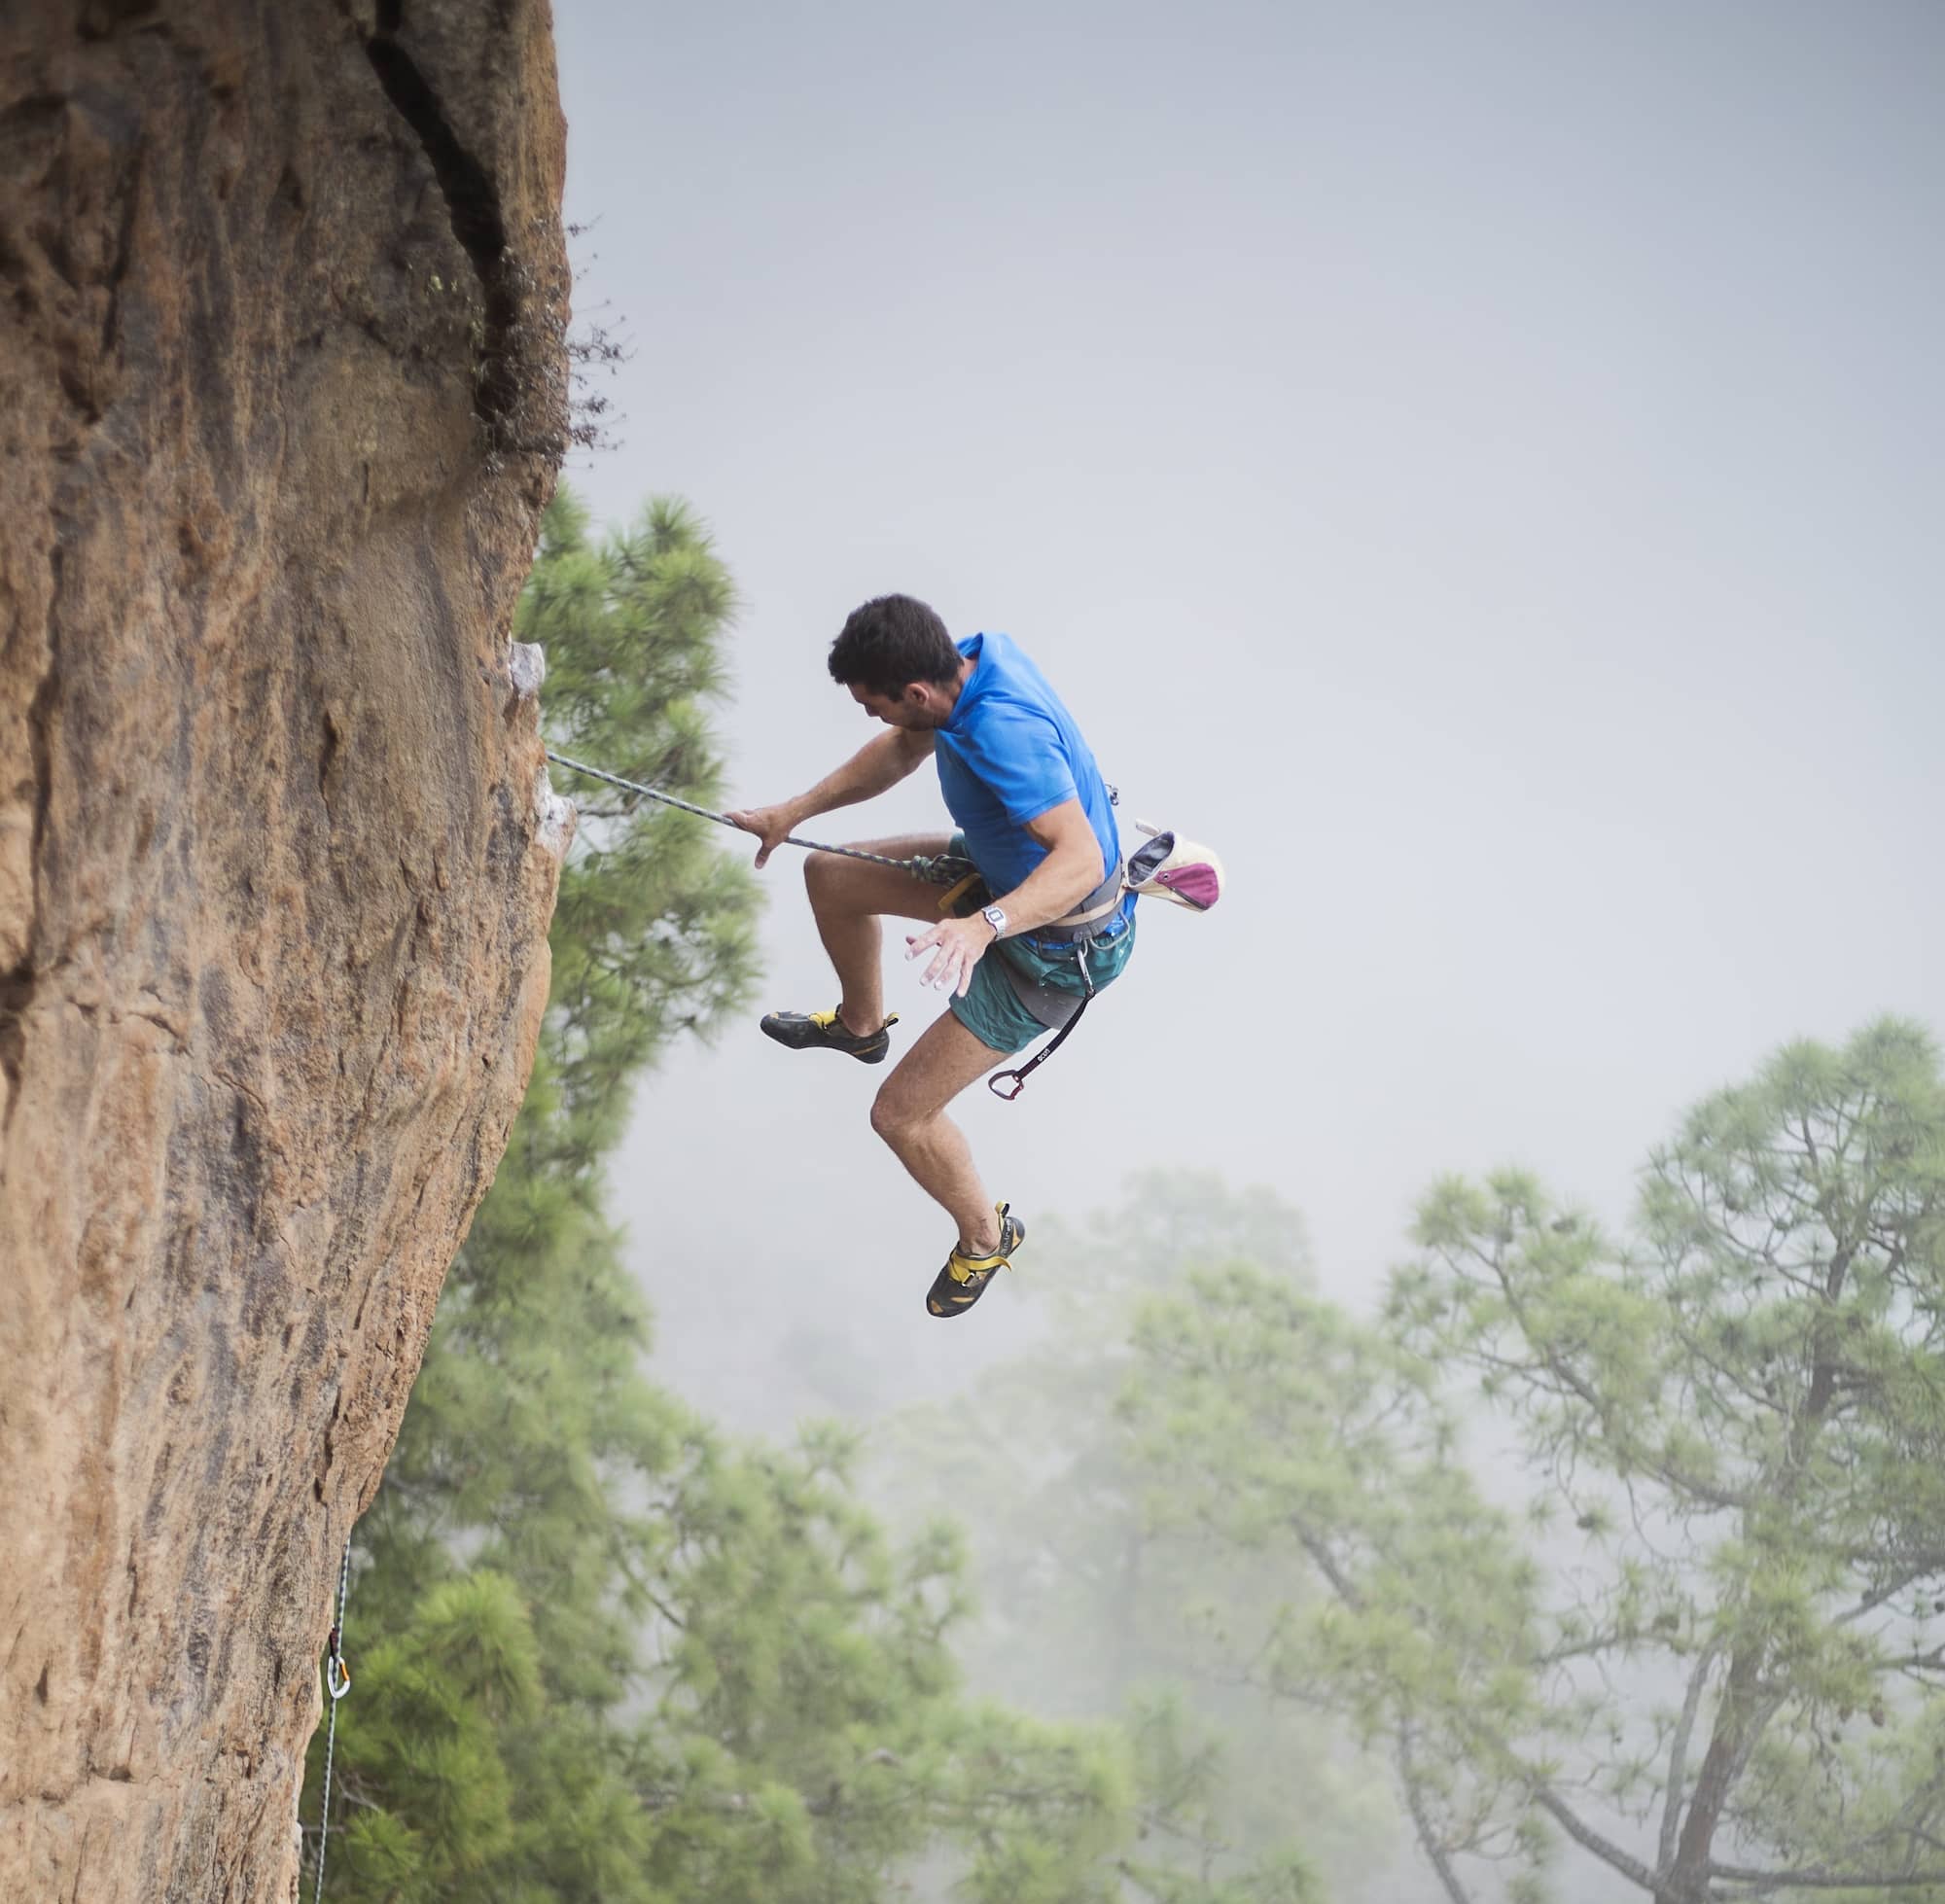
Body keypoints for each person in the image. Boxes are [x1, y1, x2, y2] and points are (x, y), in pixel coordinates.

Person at [729, 594, 1136, 1318]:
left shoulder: (1003, 731)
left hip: (1055, 950)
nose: (871, 717)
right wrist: (792, 813)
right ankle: (861, 1028)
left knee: (900, 1116)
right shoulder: (969, 664)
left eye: (875, 704)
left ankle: (985, 1236)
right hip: (1001, 879)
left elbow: (1081, 860)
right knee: (830, 875)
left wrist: (983, 927)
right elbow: (901, 748)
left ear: (916, 692)